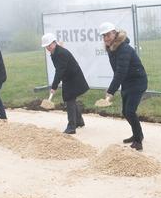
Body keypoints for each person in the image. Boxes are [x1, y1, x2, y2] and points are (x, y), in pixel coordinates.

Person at [100, 22, 149, 150]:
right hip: (127, 82)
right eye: (104, 36)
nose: (106, 38)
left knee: (130, 111)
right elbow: (118, 72)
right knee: (125, 112)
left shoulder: (124, 49)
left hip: (138, 82)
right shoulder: (112, 48)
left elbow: (120, 72)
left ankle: (138, 141)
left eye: (108, 34)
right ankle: (137, 134)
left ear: (115, 33)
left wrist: (111, 91)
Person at [41, 33, 89, 134]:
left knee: (69, 99)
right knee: (71, 99)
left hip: (73, 78)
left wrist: (54, 86)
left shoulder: (60, 53)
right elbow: (60, 70)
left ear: (54, 43)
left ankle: (71, 127)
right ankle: (79, 121)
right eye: (46, 46)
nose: (48, 48)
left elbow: (59, 71)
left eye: (49, 45)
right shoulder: (55, 52)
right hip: (69, 78)